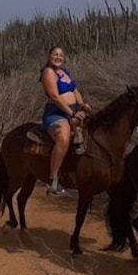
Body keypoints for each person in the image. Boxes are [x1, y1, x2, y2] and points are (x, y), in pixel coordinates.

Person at [41, 46, 92, 196]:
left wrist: (82, 105)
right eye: (55, 54)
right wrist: (72, 113)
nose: (58, 57)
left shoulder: (65, 72)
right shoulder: (48, 72)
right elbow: (55, 97)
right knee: (63, 136)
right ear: (49, 56)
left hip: (74, 111)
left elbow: (75, 91)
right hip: (56, 114)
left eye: (61, 55)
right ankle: (53, 179)